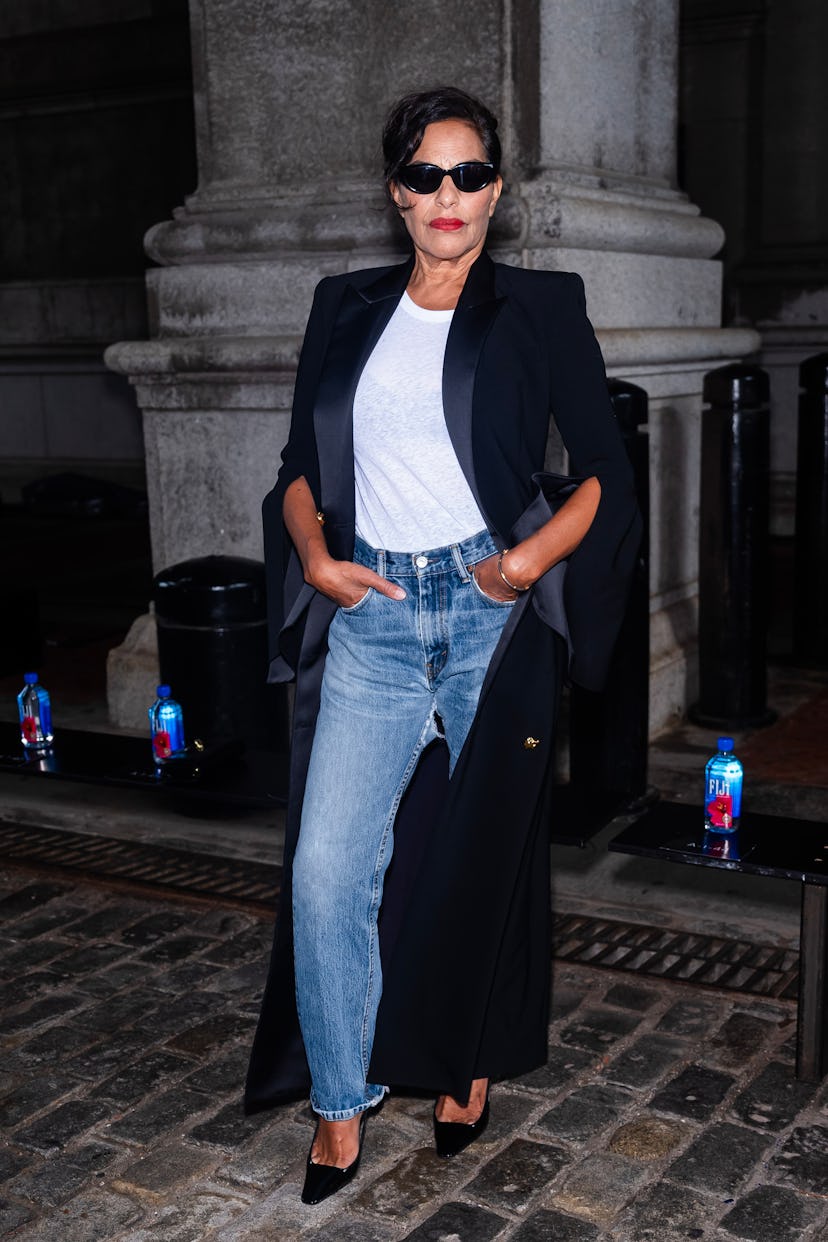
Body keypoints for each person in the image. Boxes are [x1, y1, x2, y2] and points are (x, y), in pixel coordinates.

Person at [245, 85, 641, 1205]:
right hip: (372, 616)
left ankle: (465, 1062)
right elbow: (297, 474)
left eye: (470, 175)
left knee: (487, 867)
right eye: (426, 175)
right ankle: (338, 1103)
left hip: (488, 618)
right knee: (329, 872)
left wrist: (521, 569)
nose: (448, 196)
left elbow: (606, 471)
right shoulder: (346, 306)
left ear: (497, 191)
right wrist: (317, 559)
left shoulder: (541, 306)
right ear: (396, 192)